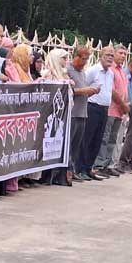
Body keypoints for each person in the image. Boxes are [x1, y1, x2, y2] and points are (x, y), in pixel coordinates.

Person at [78, 46, 115, 181]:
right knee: (87, 139)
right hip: (92, 107)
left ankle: (89, 168)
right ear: (101, 56)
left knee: (97, 140)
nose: (110, 58)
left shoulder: (110, 73)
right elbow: (83, 86)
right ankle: (80, 168)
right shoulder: (93, 71)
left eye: (112, 55)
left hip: (104, 109)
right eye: (107, 55)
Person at [6, 44, 39, 189]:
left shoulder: (26, 71)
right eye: (30, 54)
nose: (31, 58)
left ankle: (21, 178)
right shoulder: (14, 68)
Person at [93, 45, 129, 177]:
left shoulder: (122, 71)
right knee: (104, 138)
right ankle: (99, 164)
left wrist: (125, 105)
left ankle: (108, 164)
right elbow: (112, 91)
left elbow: (124, 89)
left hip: (119, 111)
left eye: (125, 54)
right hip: (111, 108)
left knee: (113, 139)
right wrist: (122, 104)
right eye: (120, 53)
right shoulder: (110, 70)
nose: (123, 56)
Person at [41, 48, 74, 185]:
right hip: (52, 116)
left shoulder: (64, 74)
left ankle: (58, 175)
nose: (66, 61)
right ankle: (47, 176)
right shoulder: (48, 74)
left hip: (64, 114)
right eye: (63, 58)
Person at [67, 46, 99, 181]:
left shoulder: (82, 73)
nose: (85, 62)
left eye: (87, 59)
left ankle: (72, 171)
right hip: (72, 113)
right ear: (76, 56)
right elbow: (67, 90)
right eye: (84, 59)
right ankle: (66, 172)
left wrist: (91, 91)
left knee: (76, 146)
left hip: (82, 112)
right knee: (69, 145)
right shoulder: (68, 70)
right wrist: (84, 90)